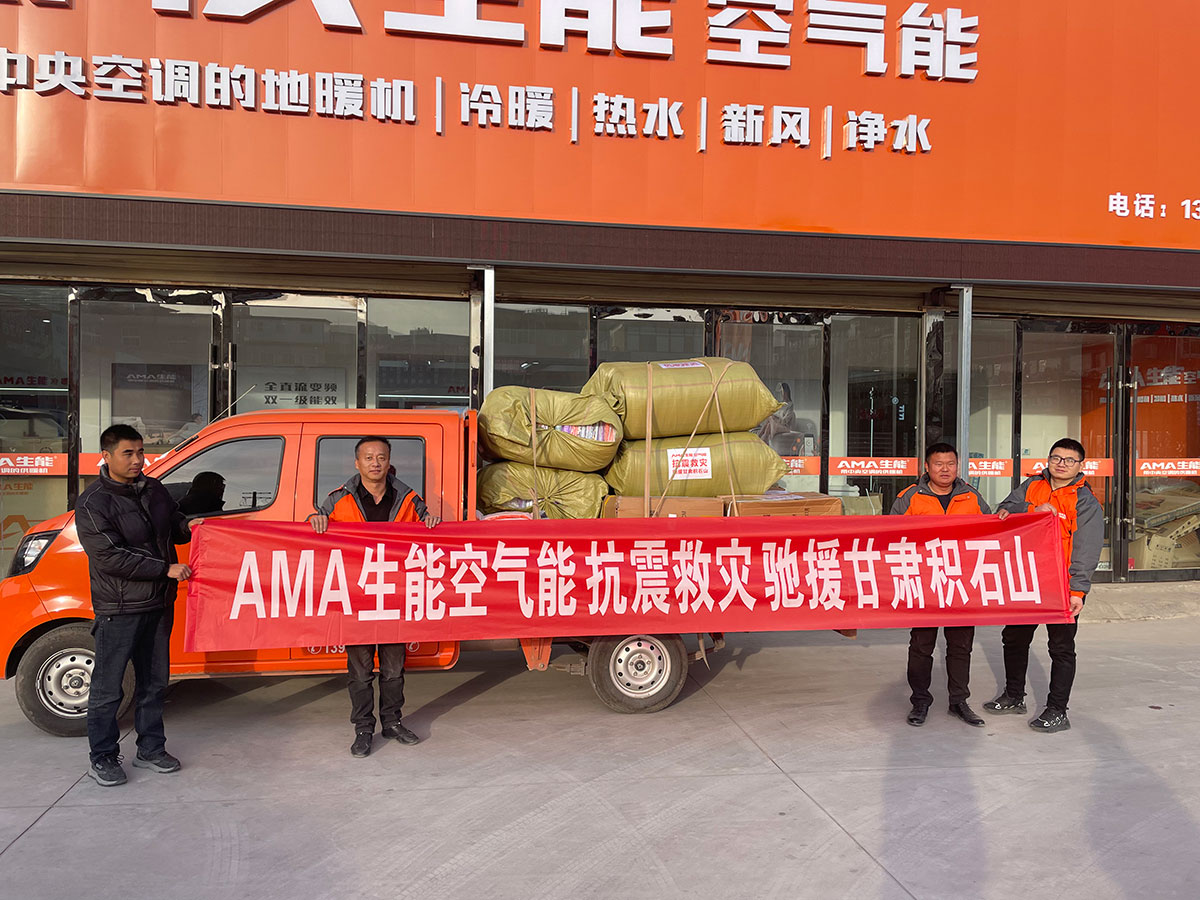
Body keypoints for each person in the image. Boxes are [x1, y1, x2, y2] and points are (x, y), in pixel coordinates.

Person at [75, 424, 201, 787]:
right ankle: (102, 757)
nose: (136, 460)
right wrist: (165, 569)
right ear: (106, 456)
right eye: (128, 453)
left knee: (155, 682)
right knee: (108, 688)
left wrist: (191, 526)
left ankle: (150, 748)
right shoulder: (93, 503)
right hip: (119, 608)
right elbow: (111, 556)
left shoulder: (153, 489)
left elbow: (172, 523)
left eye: (140, 452)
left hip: (159, 604)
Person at [309, 436, 441, 758]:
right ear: (357, 463)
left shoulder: (408, 499)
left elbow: (428, 529)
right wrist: (314, 521)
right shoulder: (338, 500)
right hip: (357, 598)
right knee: (360, 671)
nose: (375, 463)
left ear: (388, 461)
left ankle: (392, 723)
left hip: (394, 596)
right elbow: (311, 533)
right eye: (368, 457)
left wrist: (432, 522)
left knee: (394, 669)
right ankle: (363, 729)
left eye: (381, 457)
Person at [985, 438, 1102, 733]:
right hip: (1028, 579)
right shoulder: (1032, 485)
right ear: (1048, 459)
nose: (1061, 464)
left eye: (1069, 460)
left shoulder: (1085, 501)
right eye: (1056, 458)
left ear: (1080, 465)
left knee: (1060, 648)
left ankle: (1058, 710)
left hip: (1061, 585)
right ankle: (1014, 695)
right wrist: (1033, 508)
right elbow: (1005, 508)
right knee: (1014, 638)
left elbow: (1086, 550)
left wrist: (1078, 591)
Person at [889, 441, 992, 728]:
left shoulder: (971, 496)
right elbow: (890, 535)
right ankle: (920, 701)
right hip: (924, 582)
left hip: (961, 583)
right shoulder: (910, 497)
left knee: (961, 645)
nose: (945, 469)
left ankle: (959, 701)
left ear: (957, 466)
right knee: (922, 645)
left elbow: (993, 531)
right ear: (927, 467)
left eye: (950, 464)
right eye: (938, 464)